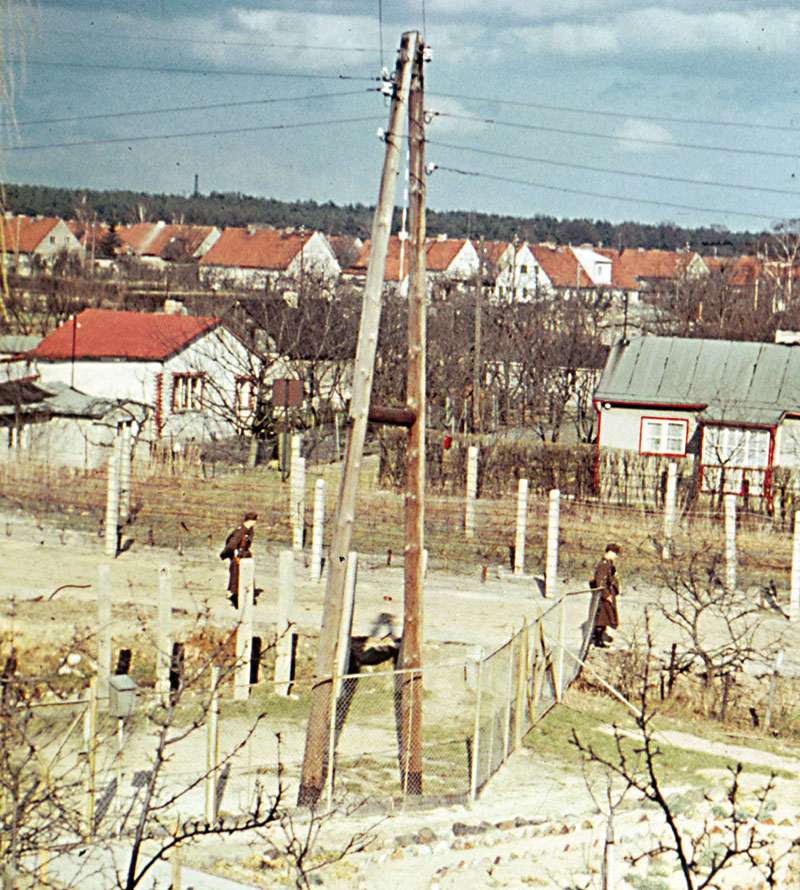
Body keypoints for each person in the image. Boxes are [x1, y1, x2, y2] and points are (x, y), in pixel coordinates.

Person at [219, 512, 258, 608]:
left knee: (246, 579)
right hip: (238, 558)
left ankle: (246, 599)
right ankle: (236, 600)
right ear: (251, 521)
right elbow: (231, 545)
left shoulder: (248, 530)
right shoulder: (241, 531)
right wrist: (225, 555)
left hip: (245, 557)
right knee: (236, 580)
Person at [590, 543, 620, 648]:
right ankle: (597, 640)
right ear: (610, 552)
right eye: (615, 554)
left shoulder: (608, 563)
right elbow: (600, 581)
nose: (616, 556)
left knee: (605, 617)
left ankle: (599, 639)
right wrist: (606, 595)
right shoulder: (603, 564)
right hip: (603, 595)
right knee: (602, 618)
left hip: (606, 593)